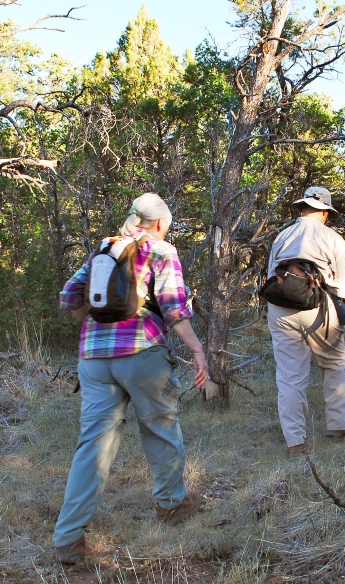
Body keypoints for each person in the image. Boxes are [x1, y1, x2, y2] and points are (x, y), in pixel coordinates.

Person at [54, 192, 208, 564]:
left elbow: (69, 295)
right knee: (160, 427)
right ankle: (172, 504)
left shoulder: (106, 248)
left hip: (93, 359)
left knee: (92, 443)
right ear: (158, 224)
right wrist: (198, 350)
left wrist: (97, 326)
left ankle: (68, 538)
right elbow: (173, 307)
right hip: (142, 354)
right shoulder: (160, 250)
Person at [266, 186, 345, 454]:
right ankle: (338, 425)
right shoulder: (331, 237)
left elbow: (272, 274)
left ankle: (295, 441)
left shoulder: (282, 236)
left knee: (289, 377)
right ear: (324, 212)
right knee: (333, 363)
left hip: (281, 309)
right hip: (320, 307)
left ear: (303, 208)